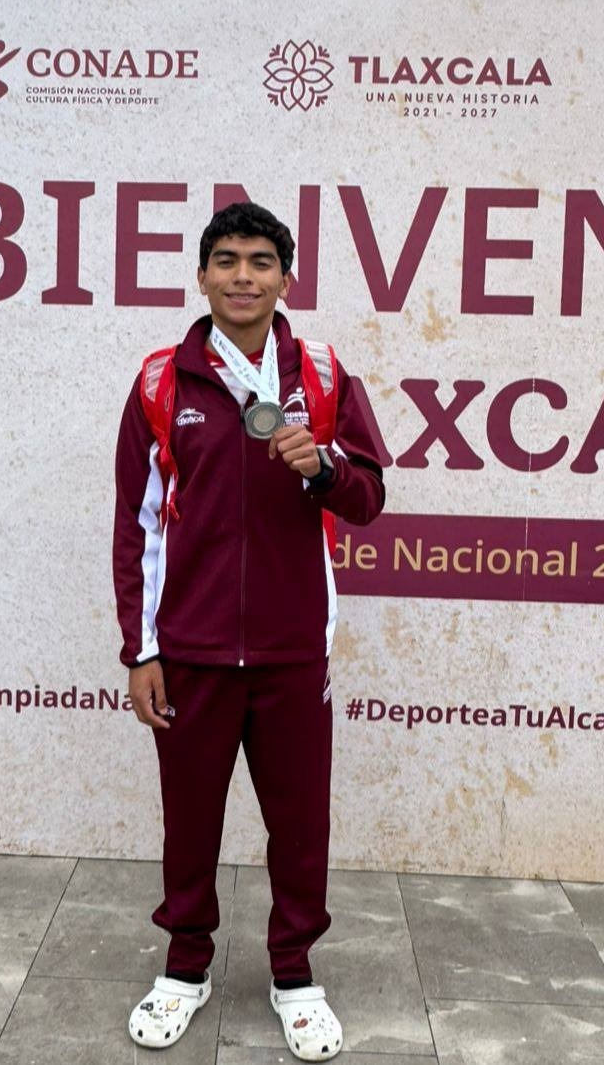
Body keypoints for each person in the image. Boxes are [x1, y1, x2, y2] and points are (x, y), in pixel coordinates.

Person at [112, 202, 385, 1062]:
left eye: (260, 261)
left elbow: (369, 501)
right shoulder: (163, 381)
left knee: (300, 825)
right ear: (201, 275)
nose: (242, 276)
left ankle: (295, 975)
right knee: (188, 823)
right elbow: (139, 525)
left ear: (286, 277)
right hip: (188, 651)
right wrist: (141, 648)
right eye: (225, 260)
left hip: (293, 647)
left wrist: (324, 469)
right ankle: (185, 968)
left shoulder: (325, 375)